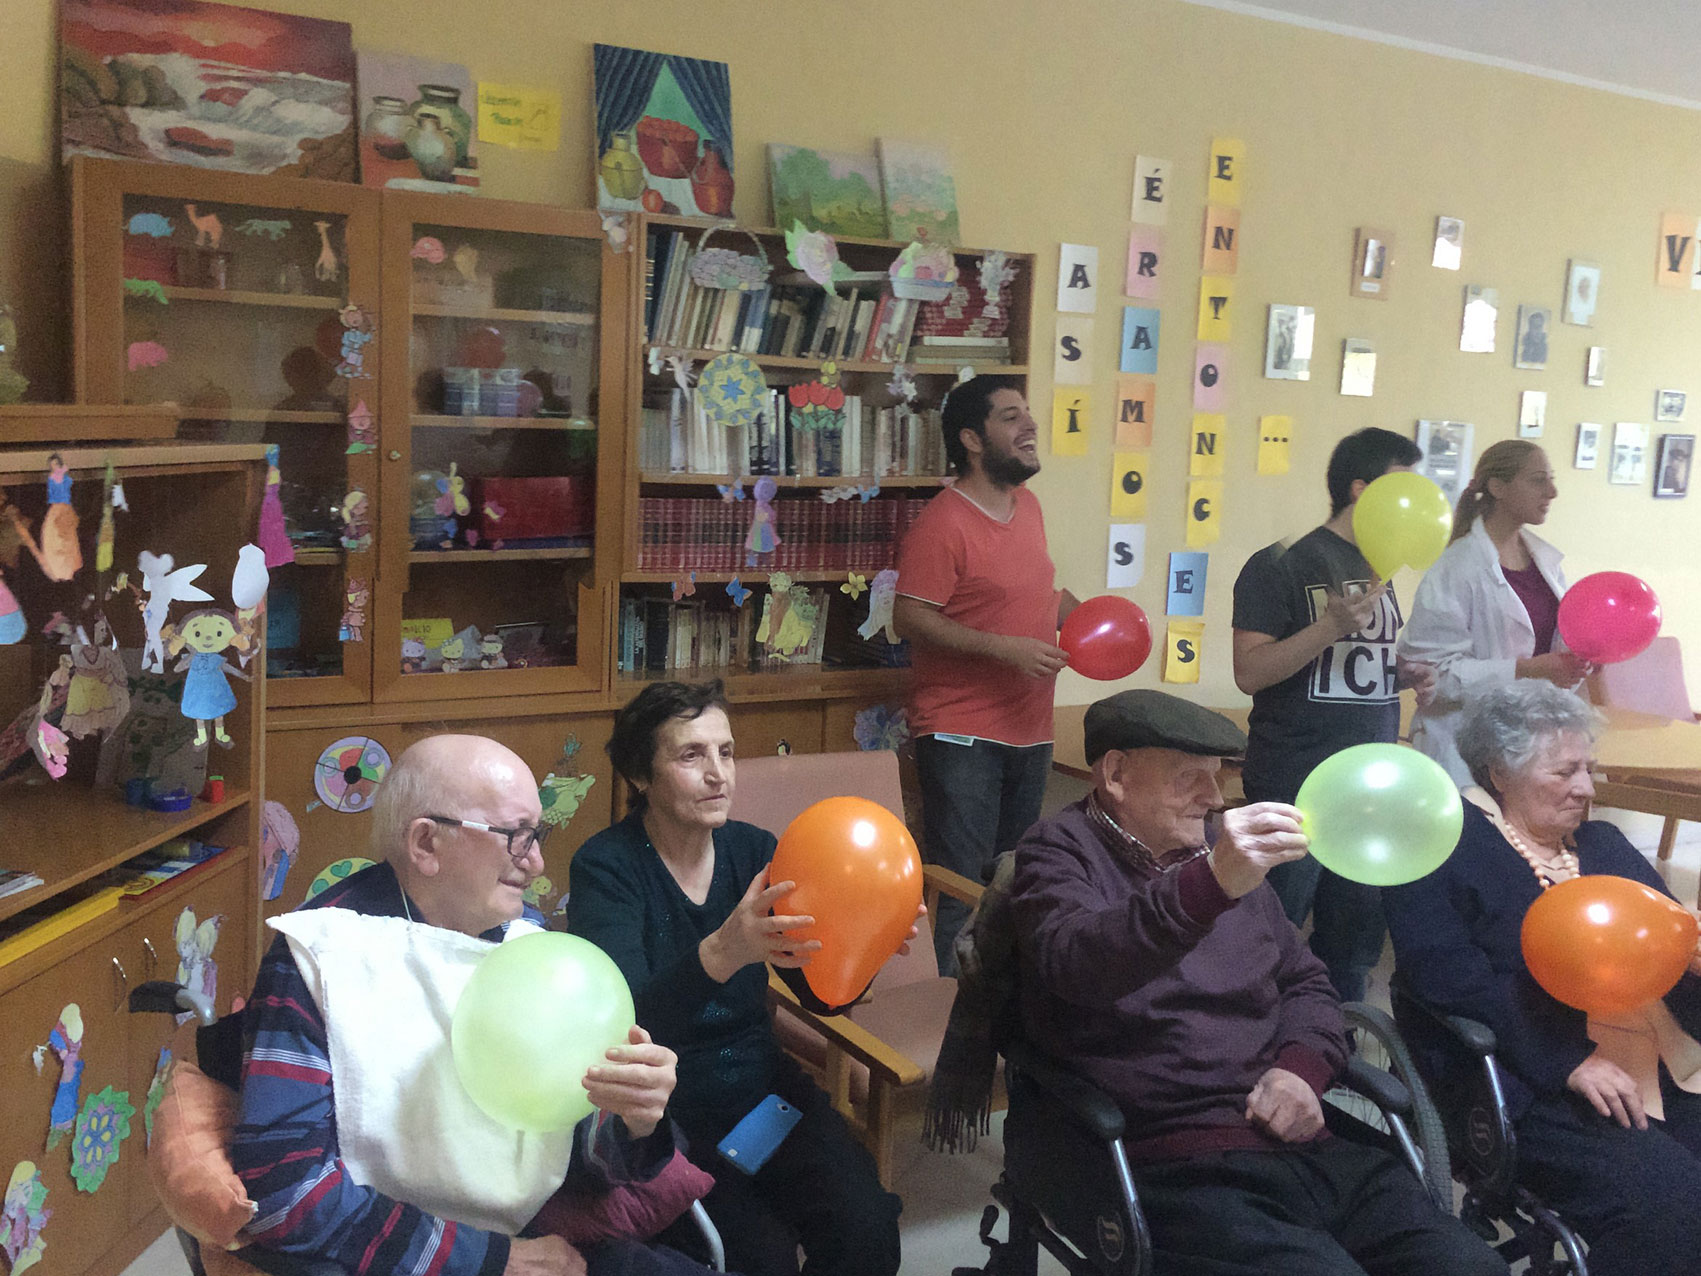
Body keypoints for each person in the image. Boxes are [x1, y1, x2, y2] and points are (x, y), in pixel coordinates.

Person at [1007, 689, 1505, 1275]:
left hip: (1297, 1133)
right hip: (1172, 1157)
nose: (1215, 799)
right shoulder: (1059, 852)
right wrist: (1211, 883)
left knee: (1469, 1266)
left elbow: (1306, 983)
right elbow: (1078, 963)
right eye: (1190, 778)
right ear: (1116, 774)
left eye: (1217, 776)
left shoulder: (1218, 858)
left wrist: (1302, 1070)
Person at [230, 735, 713, 1276]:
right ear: (426, 843)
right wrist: (492, 1260)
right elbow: (281, 1193)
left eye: (538, 835)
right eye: (516, 837)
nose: (536, 862)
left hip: (537, 1239)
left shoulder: (529, 946)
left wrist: (632, 1118)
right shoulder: (322, 955)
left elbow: (581, 1160)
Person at [568, 681, 902, 1276]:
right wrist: (724, 951)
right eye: (691, 755)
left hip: (762, 1091)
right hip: (668, 1113)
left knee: (868, 1231)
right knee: (759, 1257)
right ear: (641, 776)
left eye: (726, 752)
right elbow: (625, 1026)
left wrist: (864, 948)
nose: (718, 774)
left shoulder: (756, 852)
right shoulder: (607, 867)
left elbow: (821, 998)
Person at [1384, 681, 1701, 1276]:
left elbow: (1668, 941)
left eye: (1589, 769)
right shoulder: (1441, 847)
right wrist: (1566, 1062)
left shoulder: (1604, 845)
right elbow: (1443, 977)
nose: (1587, 788)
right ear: (1499, 773)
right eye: (1565, 771)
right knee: (1673, 1204)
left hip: (1665, 1054)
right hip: (1535, 1072)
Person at [1231, 427, 1436, 1001]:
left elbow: (1350, 670)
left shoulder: (1379, 565)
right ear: (1360, 490)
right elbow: (1250, 672)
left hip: (1369, 787)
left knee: (1353, 945)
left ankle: (1334, 1041)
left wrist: (1402, 675)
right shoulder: (1282, 562)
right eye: (1401, 489)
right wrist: (1328, 627)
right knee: (1270, 935)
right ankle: (1252, 1042)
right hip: (1296, 780)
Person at [893, 374, 1080, 969]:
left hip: (1032, 727)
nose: (1030, 425)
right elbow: (909, 617)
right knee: (962, 889)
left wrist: (1093, 622)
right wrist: (1004, 649)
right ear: (972, 440)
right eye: (1010, 417)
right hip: (962, 732)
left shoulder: (1031, 508)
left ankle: (993, 1008)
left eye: (1028, 412)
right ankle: (947, 1017)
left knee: (1011, 883)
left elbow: (1035, 594)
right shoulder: (942, 523)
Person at [1399, 440, 1586, 786]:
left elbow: (1552, 654)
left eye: (1551, 480)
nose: (1552, 492)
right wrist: (1524, 670)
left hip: (1530, 743)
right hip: (1462, 747)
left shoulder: (1546, 564)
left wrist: (1581, 658)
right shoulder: (1457, 566)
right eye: (1538, 480)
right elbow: (1431, 674)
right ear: (1498, 487)